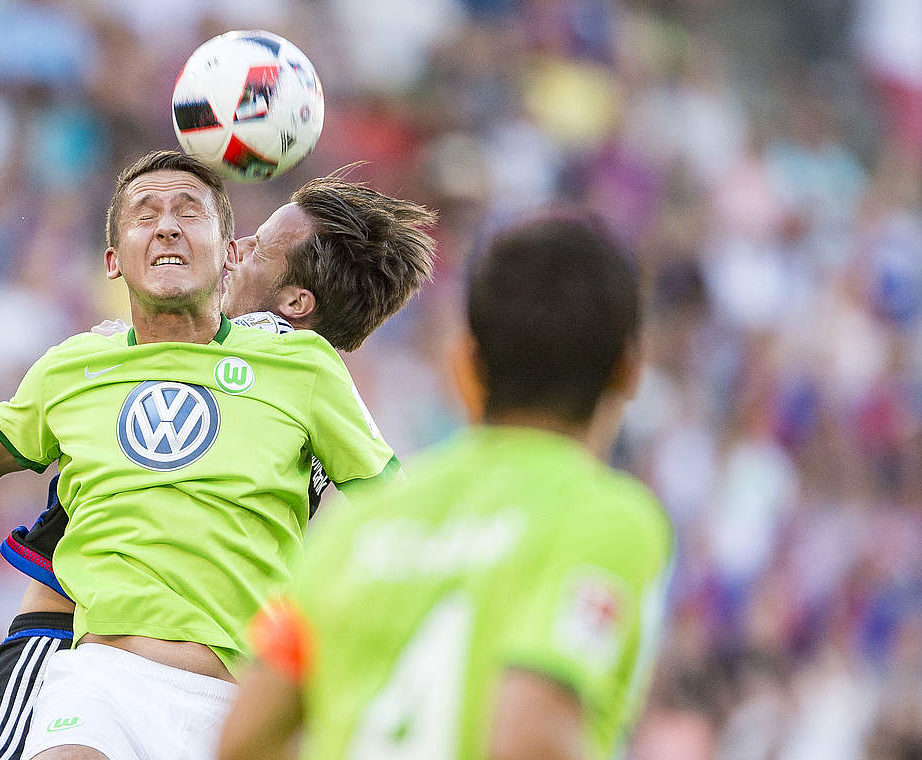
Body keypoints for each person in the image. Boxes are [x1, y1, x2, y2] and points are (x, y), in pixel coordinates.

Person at [0, 150, 436, 760]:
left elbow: (397, 508)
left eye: (247, 243)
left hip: (228, 697)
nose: (172, 229)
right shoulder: (84, 363)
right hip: (98, 674)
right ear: (114, 258)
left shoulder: (300, 371)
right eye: (146, 216)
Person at [0, 170, 438, 760]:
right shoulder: (311, 386)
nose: (233, 251)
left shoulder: (262, 354)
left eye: (254, 248)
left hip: (66, 636)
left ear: (295, 302)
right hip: (154, 660)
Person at [217, 214, 675, 760]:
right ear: (629, 371)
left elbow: (245, 738)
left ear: (463, 366)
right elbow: (531, 739)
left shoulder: (358, 527)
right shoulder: (608, 520)